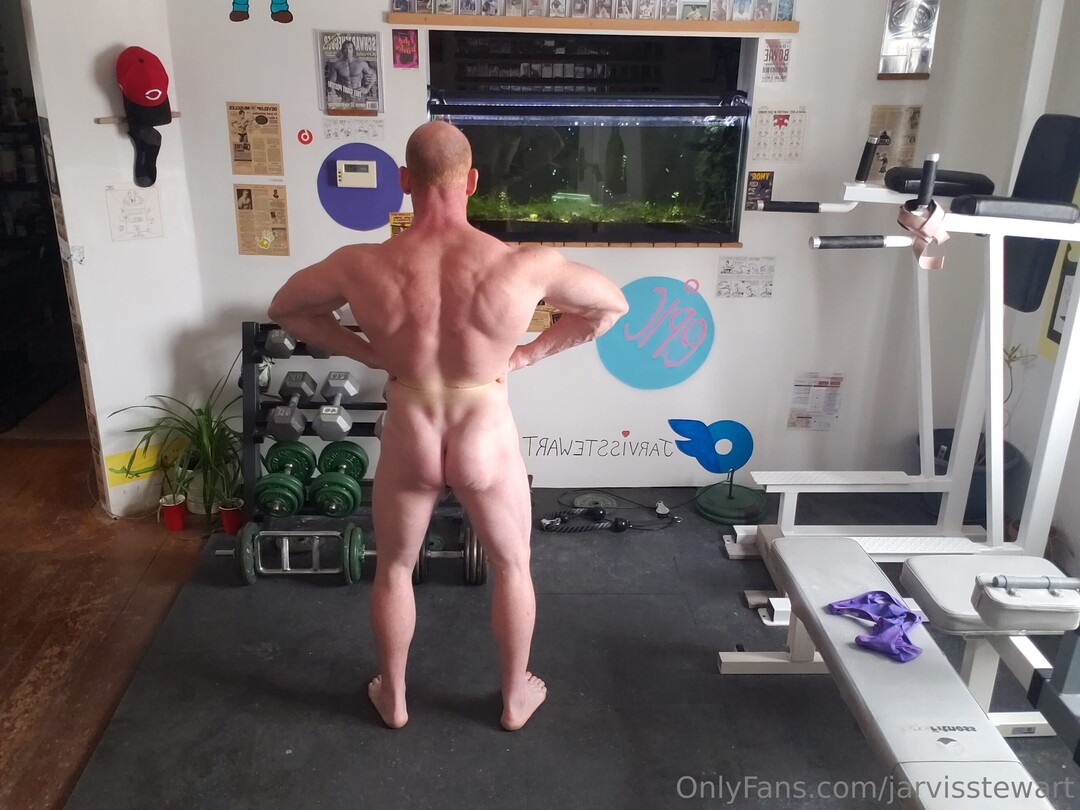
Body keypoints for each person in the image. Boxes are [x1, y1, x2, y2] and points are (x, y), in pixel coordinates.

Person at [268, 121, 628, 731]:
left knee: (395, 567)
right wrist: (525, 355)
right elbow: (608, 306)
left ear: (404, 181)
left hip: (411, 428)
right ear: (473, 182)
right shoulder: (521, 264)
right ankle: (514, 698)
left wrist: (368, 353)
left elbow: (287, 309)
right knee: (512, 566)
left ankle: (394, 698)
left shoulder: (361, 263)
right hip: (482, 427)